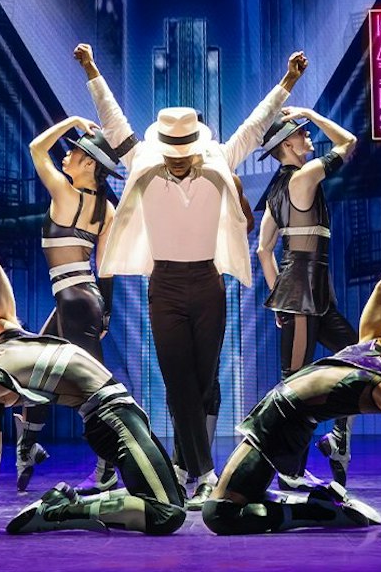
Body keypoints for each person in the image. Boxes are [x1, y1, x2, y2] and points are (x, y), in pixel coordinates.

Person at [75, 43, 306, 507]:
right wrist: (91, 68)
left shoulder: (220, 158)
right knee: (177, 378)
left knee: (203, 382)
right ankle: (204, 474)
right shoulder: (142, 160)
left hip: (208, 284)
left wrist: (288, 83)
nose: (176, 158)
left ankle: (185, 468)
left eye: (183, 149)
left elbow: (256, 124)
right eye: (170, 149)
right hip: (164, 285)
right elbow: (113, 117)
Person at [0, 254, 186, 535]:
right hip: (110, 419)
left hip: (126, 412)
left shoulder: (6, 332)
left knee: (174, 501)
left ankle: (65, 502)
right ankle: (59, 511)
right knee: (165, 514)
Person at [201, 275, 381, 533]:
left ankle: (316, 511)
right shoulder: (373, 345)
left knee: (221, 514)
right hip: (272, 417)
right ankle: (315, 502)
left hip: (280, 428)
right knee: (229, 504)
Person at [14, 115, 125, 494]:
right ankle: (28, 447)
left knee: (93, 390)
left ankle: (107, 467)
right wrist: (105, 312)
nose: (67, 155)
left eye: (75, 151)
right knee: (37, 373)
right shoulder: (106, 210)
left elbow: (35, 148)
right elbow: (106, 269)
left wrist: (73, 120)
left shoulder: (64, 193)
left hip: (73, 301)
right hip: (84, 300)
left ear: (90, 164)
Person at [255, 107, 360, 489]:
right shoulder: (303, 177)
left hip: (306, 292)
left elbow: (263, 251)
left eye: (305, 130)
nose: (308, 138)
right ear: (287, 144)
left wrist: (276, 295)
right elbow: (348, 143)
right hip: (301, 293)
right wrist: (312, 114)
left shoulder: (275, 193)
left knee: (358, 357)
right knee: (293, 385)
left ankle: (336, 440)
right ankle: (288, 470)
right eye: (301, 133)